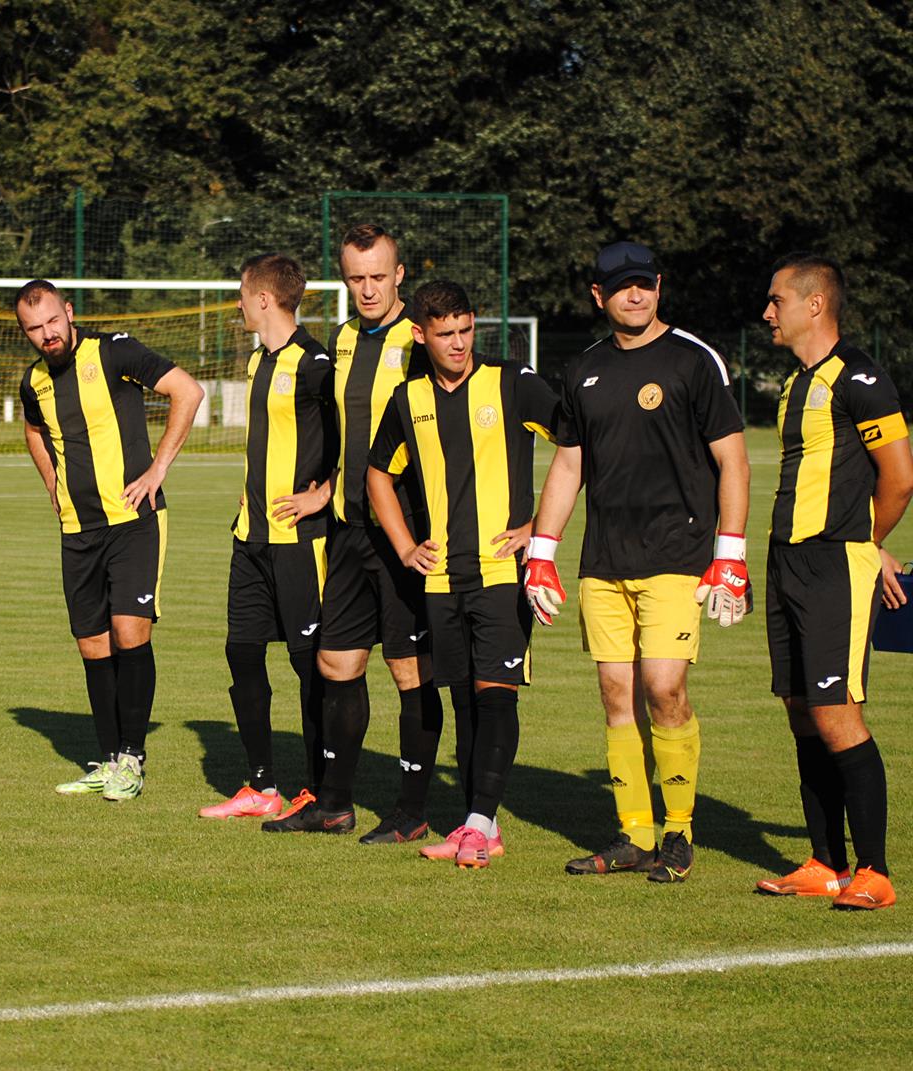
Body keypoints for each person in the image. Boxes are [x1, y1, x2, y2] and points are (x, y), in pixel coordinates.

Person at [524, 241, 750, 883]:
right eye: (621, 286)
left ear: (659, 286)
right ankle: (633, 834)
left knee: (664, 688)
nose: (636, 295)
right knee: (615, 693)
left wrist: (728, 553)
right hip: (604, 562)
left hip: (677, 555)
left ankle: (677, 834)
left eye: (644, 284)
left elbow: (733, 459)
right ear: (598, 296)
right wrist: (542, 554)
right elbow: (569, 465)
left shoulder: (693, 360)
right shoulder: (584, 369)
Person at [366, 280, 560, 866]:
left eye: (466, 330)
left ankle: (480, 823)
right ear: (420, 334)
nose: (458, 343)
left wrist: (540, 531)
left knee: (496, 696)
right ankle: (478, 820)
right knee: (466, 703)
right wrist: (404, 547)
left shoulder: (513, 383)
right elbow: (378, 475)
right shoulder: (409, 399)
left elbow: (576, 447)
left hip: (503, 574)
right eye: (445, 333)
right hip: (442, 579)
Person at [753, 253, 913, 909]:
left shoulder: (863, 378)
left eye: (775, 300)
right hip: (784, 561)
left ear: (814, 304)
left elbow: (899, 479)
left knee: (836, 711)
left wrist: (868, 547)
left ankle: (873, 872)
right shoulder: (796, 384)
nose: (767, 312)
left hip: (834, 563)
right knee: (800, 711)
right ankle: (825, 861)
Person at [15, 279, 205, 801]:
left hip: (133, 522)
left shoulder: (113, 350)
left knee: (129, 633)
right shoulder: (34, 382)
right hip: (77, 529)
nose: (47, 334)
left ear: (68, 312)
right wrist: (52, 483)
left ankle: (133, 758)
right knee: (92, 643)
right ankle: (107, 761)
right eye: (34, 328)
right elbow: (34, 432)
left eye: (53, 321)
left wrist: (157, 470)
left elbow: (187, 391)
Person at [291, 223, 445, 840]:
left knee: (410, 671)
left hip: (406, 536)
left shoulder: (420, 339)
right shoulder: (345, 338)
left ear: (400, 274)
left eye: (379, 276)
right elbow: (341, 429)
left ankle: (411, 813)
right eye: (356, 278)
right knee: (336, 662)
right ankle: (334, 805)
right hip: (349, 531)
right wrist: (326, 487)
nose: (368, 288)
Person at [200, 253, 337, 824]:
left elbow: (356, 434)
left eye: (242, 293)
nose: (237, 303)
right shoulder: (259, 361)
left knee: (311, 667)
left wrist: (323, 494)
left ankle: (317, 788)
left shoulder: (315, 363)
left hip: (300, 541)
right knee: (242, 653)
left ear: (263, 299)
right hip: (250, 538)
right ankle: (260, 786)